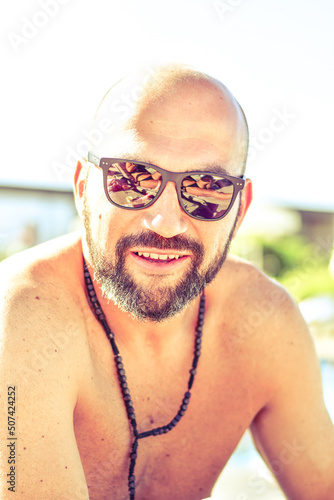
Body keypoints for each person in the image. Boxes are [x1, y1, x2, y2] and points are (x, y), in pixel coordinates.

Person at [0, 63, 333, 500]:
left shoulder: (264, 322)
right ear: (83, 187)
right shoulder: (23, 316)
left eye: (207, 189)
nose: (166, 223)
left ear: (240, 207)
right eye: (133, 180)